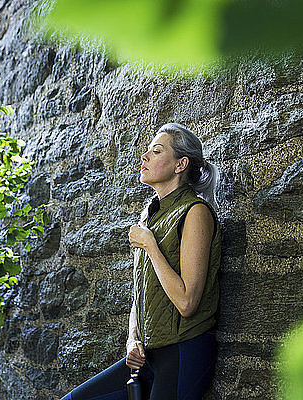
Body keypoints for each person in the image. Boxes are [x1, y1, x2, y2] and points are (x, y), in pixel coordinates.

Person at [60, 123, 222, 400]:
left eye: (156, 151)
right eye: (147, 151)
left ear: (180, 164)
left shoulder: (195, 212)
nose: (144, 157)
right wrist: (133, 337)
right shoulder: (150, 217)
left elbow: (186, 302)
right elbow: (143, 290)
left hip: (184, 351)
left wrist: (151, 246)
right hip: (147, 354)